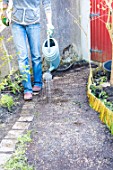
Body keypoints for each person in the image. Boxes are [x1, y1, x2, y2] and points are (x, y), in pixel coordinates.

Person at [2, 0, 54, 100]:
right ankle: (27, 89)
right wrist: (4, 14)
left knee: (36, 55)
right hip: (17, 23)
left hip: (34, 22)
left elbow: (47, 3)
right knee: (22, 57)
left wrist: (50, 23)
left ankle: (38, 82)